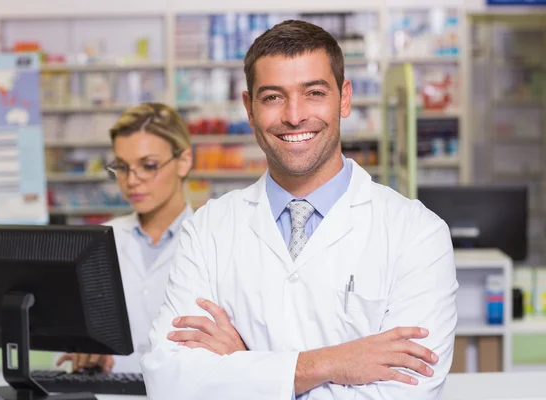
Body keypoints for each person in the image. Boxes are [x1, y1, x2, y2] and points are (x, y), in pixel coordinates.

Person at [141, 20, 458, 399]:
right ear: (250, 107)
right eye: (273, 97)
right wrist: (328, 363)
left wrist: (244, 366)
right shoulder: (208, 229)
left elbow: (403, 393)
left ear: (344, 98)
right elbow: (170, 380)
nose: (294, 115)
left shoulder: (417, 233)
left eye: (313, 93)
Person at [56, 103, 194, 373]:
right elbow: (72, 340)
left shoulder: (215, 238)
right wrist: (84, 352)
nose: (132, 180)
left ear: (184, 162)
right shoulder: (94, 243)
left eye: (148, 166)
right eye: (121, 167)